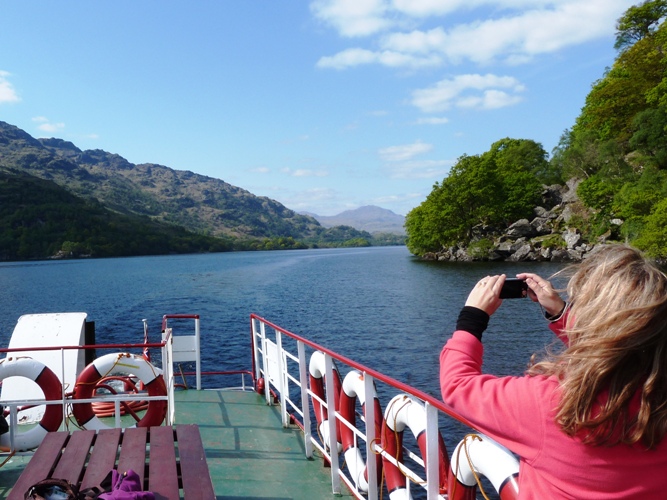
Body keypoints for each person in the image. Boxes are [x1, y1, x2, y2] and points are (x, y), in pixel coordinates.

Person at [440, 244, 667, 499]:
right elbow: (623, 351)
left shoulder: (552, 404)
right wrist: (560, 312)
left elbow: (458, 385)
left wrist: (472, 318)